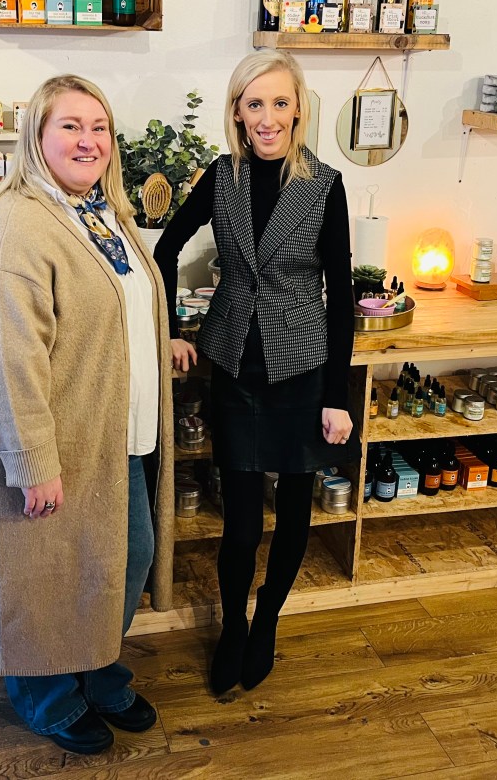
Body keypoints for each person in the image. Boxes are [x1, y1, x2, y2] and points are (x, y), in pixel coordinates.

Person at [0, 75, 174, 755]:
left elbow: (113, 305)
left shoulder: (102, 215)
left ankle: (97, 670)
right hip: (54, 442)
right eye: (70, 126)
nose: (88, 140)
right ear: (37, 137)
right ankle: (47, 697)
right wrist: (31, 460)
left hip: (111, 433)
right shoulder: (14, 228)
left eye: (99, 127)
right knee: (43, 575)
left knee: (118, 562)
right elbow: (2, 358)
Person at [155, 50, 356, 694]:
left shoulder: (324, 184)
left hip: (302, 364)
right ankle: (234, 625)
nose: (267, 117)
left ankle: (268, 618)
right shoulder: (222, 177)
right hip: (236, 364)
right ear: (237, 112)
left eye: (279, 103)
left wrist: (337, 397)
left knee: (294, 512)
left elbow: (341, 293)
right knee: (241, 523)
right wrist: (169, 330)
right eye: (253, 104)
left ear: (297, 109)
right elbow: (164, 248)